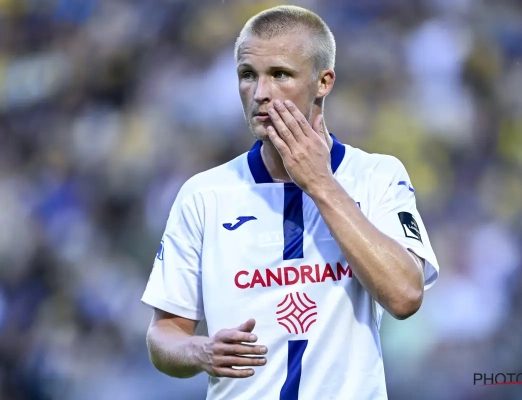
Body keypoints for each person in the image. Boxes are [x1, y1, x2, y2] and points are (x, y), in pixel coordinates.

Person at [141, 5, 440, 400]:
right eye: (248, 75)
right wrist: (200, 350)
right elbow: (164, 334)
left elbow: (405, 296)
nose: (260, 93)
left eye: (280, 74)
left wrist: (320, 184)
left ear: (323, 82)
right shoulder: (205, 194)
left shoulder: (376, 176)